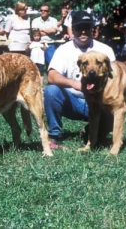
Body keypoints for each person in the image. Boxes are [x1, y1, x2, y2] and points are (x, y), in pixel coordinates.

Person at [43, 10, 116, 148]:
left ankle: (96, 131)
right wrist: (76, 85)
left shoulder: (105, 50)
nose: (83, 31)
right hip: (74, 102)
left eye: (87, 27)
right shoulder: (63, 50)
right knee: (51, 91)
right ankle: (54, 135)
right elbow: (51, 76)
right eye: (79, 28)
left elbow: (116, 78)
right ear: (72, 29)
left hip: (101, 101)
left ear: (92, 29)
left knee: (111, 113)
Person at [31, 3, 58, 69]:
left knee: (52, 66)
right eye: (41, 10)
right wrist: (49, 31)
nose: (43, 12)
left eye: (45, 10)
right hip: (38, 45)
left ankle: (51, 79)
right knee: (37, 67)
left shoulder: (54, 20)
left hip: (50, 44)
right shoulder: (35, 21)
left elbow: (54, 31)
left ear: (49, 12)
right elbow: (35, 33)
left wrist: (41, 30)